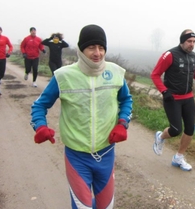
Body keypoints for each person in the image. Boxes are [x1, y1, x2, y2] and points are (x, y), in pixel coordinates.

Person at [30, 24, 133, 209]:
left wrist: (122, 123)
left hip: (106, 154)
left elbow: (126, 100)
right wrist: (40, 126)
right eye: (91, 47)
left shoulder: (116, 73)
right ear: (81, 49)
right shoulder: (63, 76)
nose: (97, 53)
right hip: (77, 157)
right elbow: (40, 105)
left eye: (101, 48)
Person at [151, 29, 195, 171]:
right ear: (182, 41)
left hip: (188, 97)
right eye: (189, 41)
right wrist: (164, 91)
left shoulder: (194, 57)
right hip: (172, 98)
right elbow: (155, 74)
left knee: (190, 129)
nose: (192, 44)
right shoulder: (170, 55)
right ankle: (161, 137)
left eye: (194, 42)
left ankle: (178, 157)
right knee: (175, 129)